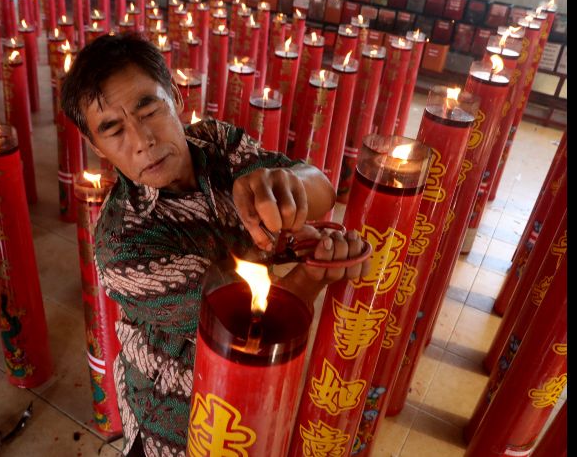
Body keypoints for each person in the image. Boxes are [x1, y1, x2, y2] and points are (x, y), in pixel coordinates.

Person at [61, 33, 370, 456]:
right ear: (96, 147)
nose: (142, 140)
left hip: (257, 394)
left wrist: (289, 186)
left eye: (148, 108)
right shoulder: (123, 246)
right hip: (177, 420)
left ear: (175, 97)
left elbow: (321, 189)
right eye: (113, 130)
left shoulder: (216, 143)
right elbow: (243, 325)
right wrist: (315, 273)